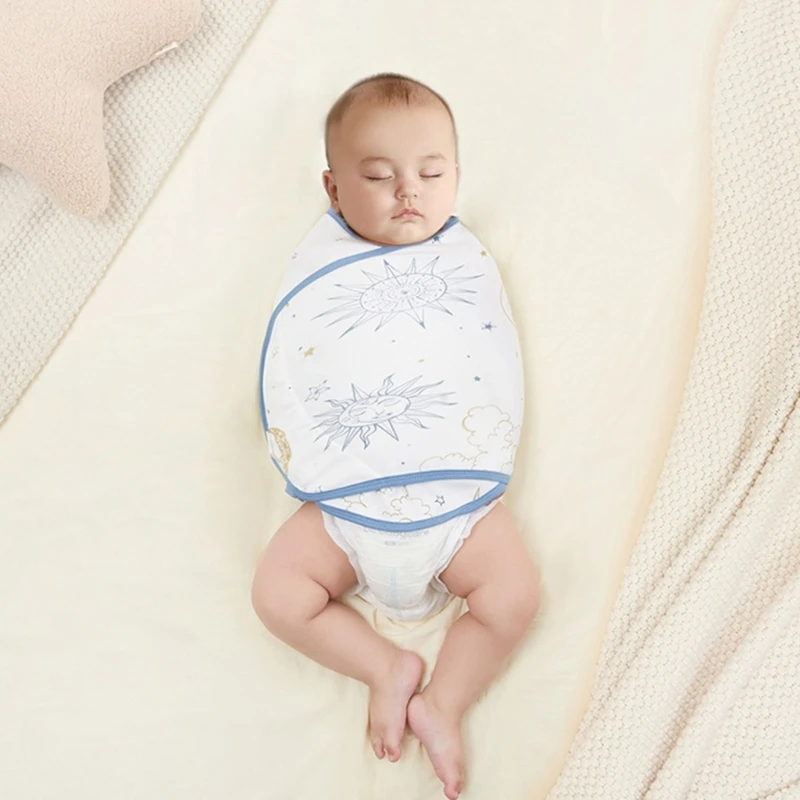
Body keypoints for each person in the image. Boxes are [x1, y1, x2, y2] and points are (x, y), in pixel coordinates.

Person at [252, 73, 539, 800]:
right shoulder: (322, 270)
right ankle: (384, 667)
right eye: (378, 176)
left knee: (513, 597)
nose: (408, 190)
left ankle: (444, 701)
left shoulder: (461, 263)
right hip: (347, 506)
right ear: (333, 188)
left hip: (456, 497)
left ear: (456, 176)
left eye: (432, 173)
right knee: (277, 595)